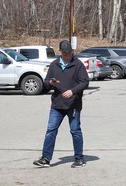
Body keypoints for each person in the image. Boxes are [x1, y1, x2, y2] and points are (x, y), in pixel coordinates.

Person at [33, 40, 89, 168]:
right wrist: (50, 83)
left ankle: (79, 159)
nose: (67, 56)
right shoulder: (54, 65)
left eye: (69, 53)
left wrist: (72, 91)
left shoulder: (77, 65)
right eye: (65, 54)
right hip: (57, 105)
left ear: (72, 52)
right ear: (60, 52)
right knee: (50, 131)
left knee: (75, 131)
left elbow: (85, 82)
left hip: (73, 105)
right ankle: (45, 159)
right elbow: (46, 82)